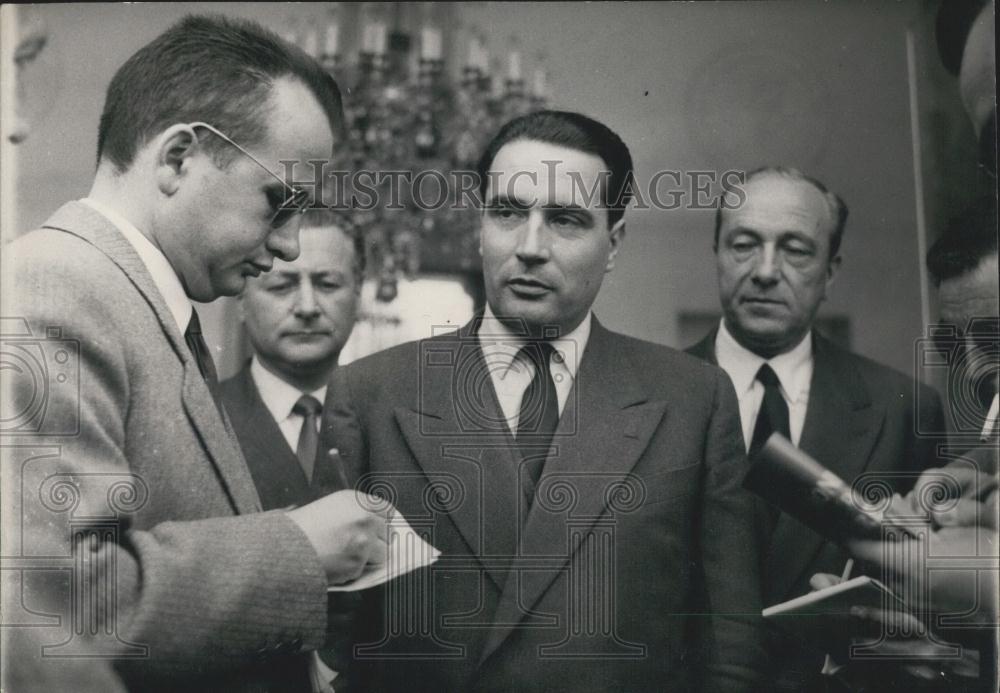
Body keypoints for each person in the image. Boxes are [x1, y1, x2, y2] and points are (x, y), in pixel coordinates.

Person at [1, 15, 391, 692]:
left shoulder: (139, 304)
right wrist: (299, 549)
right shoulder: (55, 284)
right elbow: (60, 607)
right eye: (279, 200)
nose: (292, 245)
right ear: (180, 157)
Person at [320, 110, 765, 692]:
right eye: (508, 213)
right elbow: (328, 650)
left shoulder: (692, 400)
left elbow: (730, 649)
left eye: (566, 220)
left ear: (614, 243)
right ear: (480, 226)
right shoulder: (372, 394)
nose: (530, 247)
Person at [686, 166, 945, 689]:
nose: (764, 270)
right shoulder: (652, 400)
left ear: (830, 272)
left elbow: (930, 601)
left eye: (796, 249)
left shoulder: (902, 410)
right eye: (743, 244)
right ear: (716, 255)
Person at [221, 209, 364, 509]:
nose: (307, 307)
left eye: (327, 284)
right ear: (241, 301)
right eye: (282, 286)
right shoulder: (207, 413)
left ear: (358, 295)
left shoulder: (390, 422)